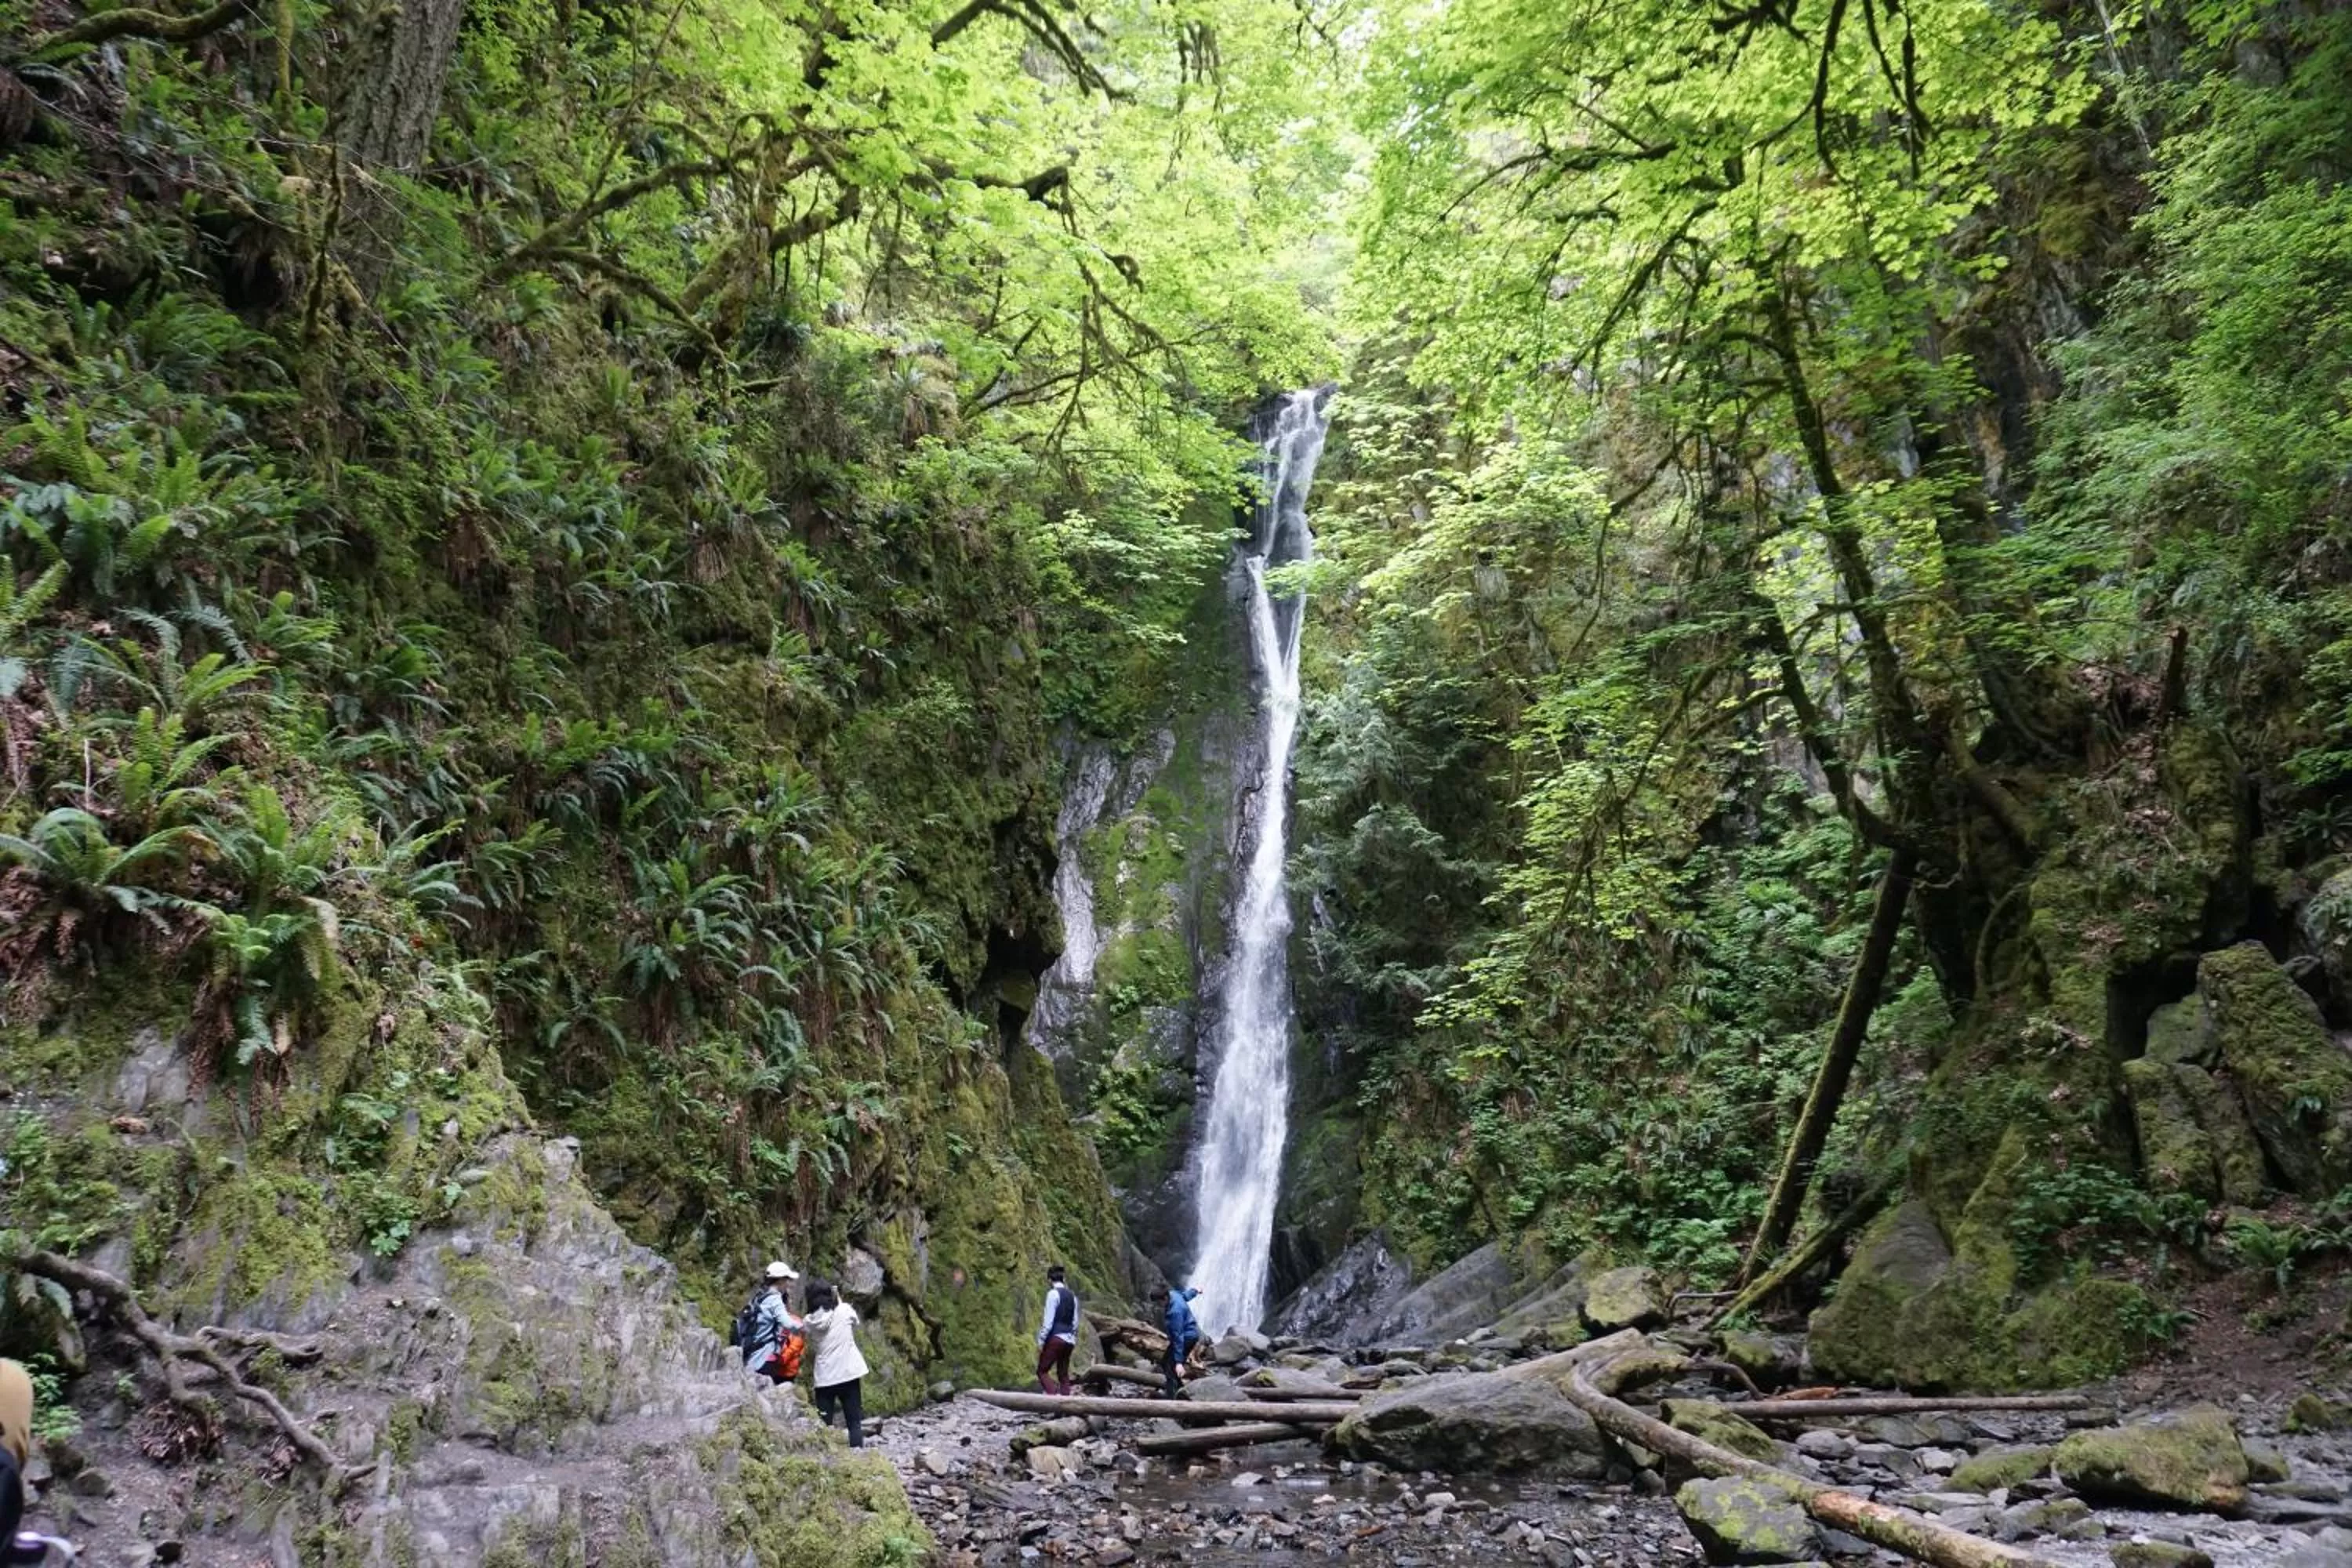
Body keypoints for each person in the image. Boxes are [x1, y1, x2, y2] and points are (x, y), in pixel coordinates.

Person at [803, 1278, 869, 1448]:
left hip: (825, 1378)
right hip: (848, 1374)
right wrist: (838, 1299)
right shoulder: (845, 1310)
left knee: (824, 1425)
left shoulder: (808, 1321)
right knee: (854, 1422)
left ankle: (828, 1461)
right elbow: (855, 1322)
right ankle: (859, 1457)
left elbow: (821, 1321)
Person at [742, 1261, 803, 1384]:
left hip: (752, 1354)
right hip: (765, 1357)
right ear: (780, 1281)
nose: (788, 1284)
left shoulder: (761, 1296)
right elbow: (788, 1324)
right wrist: (805, 1327)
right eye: (787, 1280)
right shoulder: (775, 1299)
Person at [1034, 1264, 1079, 1396]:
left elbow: (1048, 1323)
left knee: (1042, 1371)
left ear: (1049, 1280)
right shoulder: (1073, 1296)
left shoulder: (1052, 1295)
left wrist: (1041, 1341)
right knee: (1063, 1374)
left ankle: (1054, 1400)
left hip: (1056, 1339)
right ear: (1063, 1280)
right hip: (1070, 1340)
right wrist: (1072, 1337)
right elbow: (1075, 1323)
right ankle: (1066, 1406)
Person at [1161, 1284, 1202, 1398]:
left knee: (1171, 1368)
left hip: (1187, 1337)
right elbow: (1185, 1296)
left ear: (1164, 1298)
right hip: (1188, 1335)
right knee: (1165, 1362)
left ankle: (1172, 1401)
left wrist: (1179, 1362)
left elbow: (1179, 1338)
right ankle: (1181, 1391)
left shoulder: (1175, 1312)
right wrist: (1195, 1290)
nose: (1160, 1306)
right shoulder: (1173, 1295)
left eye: (1159, 1303)